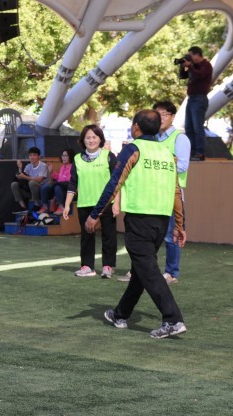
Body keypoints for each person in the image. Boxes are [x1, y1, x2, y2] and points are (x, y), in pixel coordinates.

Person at [88, 109, 187, 339]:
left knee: (148, 270)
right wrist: (180, 225)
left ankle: (173, 319)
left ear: (136, 127)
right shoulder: (167, 152)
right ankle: (120, 314)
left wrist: (95, 213)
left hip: (140, 220)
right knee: (142, 269)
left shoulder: (133, 149)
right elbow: (176, 192)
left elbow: (114, 182)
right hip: (161, 221)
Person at [63, 126, 119, 278]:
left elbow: (116, 182)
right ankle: (87, 266)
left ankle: (108, 266)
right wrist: (67, 205)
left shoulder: (109, 156)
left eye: (94, 137)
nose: (91, 140)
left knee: (108, 235)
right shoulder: (77, 159)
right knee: (86, 236)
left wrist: (117, 203)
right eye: (88, 137)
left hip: (107, 203)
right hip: (85, 203)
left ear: (100, 139)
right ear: (83, 140)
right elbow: (73, 183)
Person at [154, 100, 191, 285]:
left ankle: (171, 272)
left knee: (172, 235)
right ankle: (145, 269)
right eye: (157, 115)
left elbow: (182, 166)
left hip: (172, 194)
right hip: (153, 193)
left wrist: (160, 165)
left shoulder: (180, 138)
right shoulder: (152, 138)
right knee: (151, 234)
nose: (161, 118)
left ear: (172, 117)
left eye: (164, 114)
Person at [181, 46, 212, 161]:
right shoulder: (193, 67)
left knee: (197, 127)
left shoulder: (206, 65)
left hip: (199, 98)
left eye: (191, 55)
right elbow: (182, 76)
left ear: (197, 55)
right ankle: (192, 152)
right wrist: (182, 66)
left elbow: (200, 75)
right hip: (191, 98)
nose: (190, 58)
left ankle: (200, 153)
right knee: (188, 127)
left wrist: (190, 66)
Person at [10, 147, 49, 211]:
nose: (32, 157)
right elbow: (22, 178)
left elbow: (39, 180)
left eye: (34, 155)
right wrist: (20, 168)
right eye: (30, 155)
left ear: (38, 156)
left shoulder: (43, 166)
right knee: (14, 184)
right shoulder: (28, 166)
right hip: (30, 187)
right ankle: (22, 206)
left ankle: (37, 204)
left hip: (41, 187)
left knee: (32, 182)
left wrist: (25, 177)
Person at [40, 148, 73, 215]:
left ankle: (61, 207)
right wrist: (51, 172)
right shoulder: (62, 166)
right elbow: (59, 178)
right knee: (45, 187)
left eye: (66, 156)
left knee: (57, 187)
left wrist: (58, 181)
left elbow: (68, 180)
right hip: (60, 185)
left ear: (70, 156)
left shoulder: (73, 167)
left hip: (68, 188)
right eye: (62, 155)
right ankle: (45, 206)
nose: (63, 157)